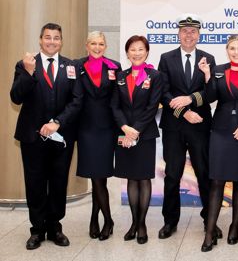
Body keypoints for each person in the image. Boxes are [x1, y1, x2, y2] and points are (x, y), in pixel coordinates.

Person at [10, 22, 82, 250]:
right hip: (32, 137)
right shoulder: (26, 64)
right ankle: (37, 230)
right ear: (40, 40)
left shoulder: (71, 66)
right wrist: (29, 73)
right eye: (48, 37)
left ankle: (55, 227)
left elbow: (77, 100)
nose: (52, 41)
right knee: (35, 183)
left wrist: (57, 123)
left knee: (59, 182)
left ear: (61, 41)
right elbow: (16, 97)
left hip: (61, 137)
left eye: (56, 38)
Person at [198, 35, 238, 252]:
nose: (236, 52)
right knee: (217, 181)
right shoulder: (218, 69)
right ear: (227, 50)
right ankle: (209, 232)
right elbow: (209, 99)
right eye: (232, 48)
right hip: (221, 130)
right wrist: (207, 77)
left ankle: (235, 226)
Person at [158, 13, 218, 240]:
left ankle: (209, 220)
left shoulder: (208, 58)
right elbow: (163, 93)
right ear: (178, 33)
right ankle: (169, 221)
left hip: (200, 126)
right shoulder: (166, 58)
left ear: (199, 34)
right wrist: (185, 112)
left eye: (193, 31)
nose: (189, 35)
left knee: (204, 174)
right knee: (172, 175)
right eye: (185, 30)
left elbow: (211, 93)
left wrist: (191, 99)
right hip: (174, 126)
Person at [111, 35, 163, 245]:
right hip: (124, 132)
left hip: (146, 133)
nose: (137, 53)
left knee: (143, 178)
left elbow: (153, 106)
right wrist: (125, 127)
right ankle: (133, 223)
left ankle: (141, 225)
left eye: (141, 49)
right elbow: (114, 105)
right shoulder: (120, 76)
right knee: (131, 179)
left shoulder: (155, 75)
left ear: (147, 52)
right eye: (133, 49)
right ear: (127, 53)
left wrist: (137, 129)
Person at [75, 31, 121, 241]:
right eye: (93, 43)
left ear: (105, 46)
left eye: (101, 44)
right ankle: (101, 219)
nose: (97, 47)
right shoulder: (76, 66)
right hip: (85, 128)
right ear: (87, 45)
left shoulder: (114, 66)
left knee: (99, 177)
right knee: (95, 177)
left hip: (106, 129)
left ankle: (104, 220)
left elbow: (117, 99)